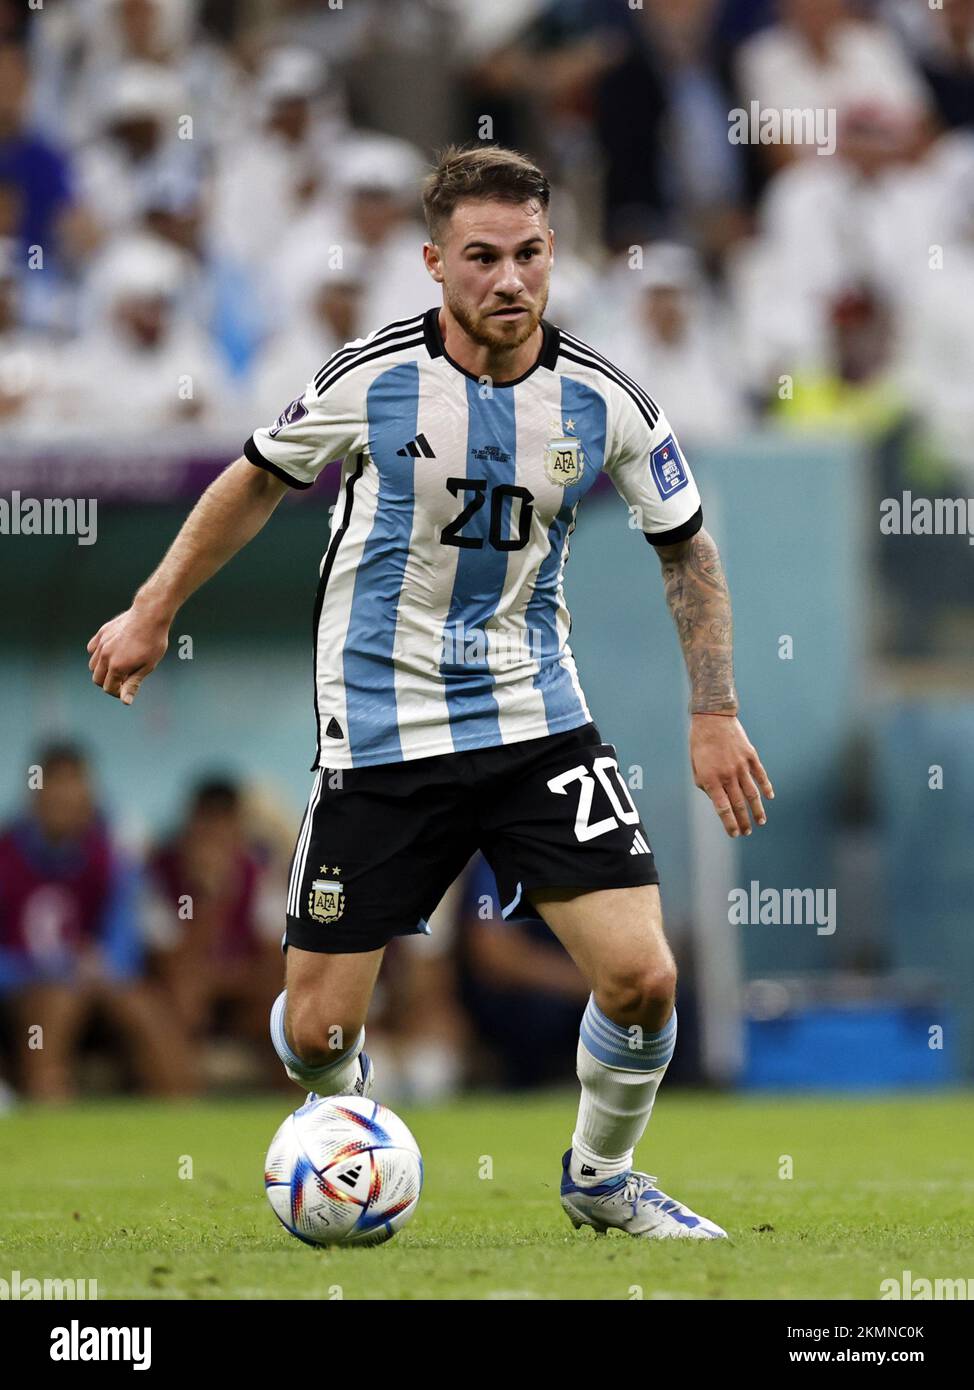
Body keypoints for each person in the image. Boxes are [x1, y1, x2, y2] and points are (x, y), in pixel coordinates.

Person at [86, 144, 773, 1239]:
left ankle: (600, 1178)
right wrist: (152, 606)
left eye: (530, 255)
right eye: (483, 257)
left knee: (643, 977)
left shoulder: (604, 398)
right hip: (380, 734)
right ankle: (345, 1129)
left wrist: (712, 709)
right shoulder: (372, 376)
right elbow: (253, 480)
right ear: (433, 263)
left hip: (534, 720)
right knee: (314, 1036)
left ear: (555, 254)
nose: (510, 280)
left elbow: (685, 549)